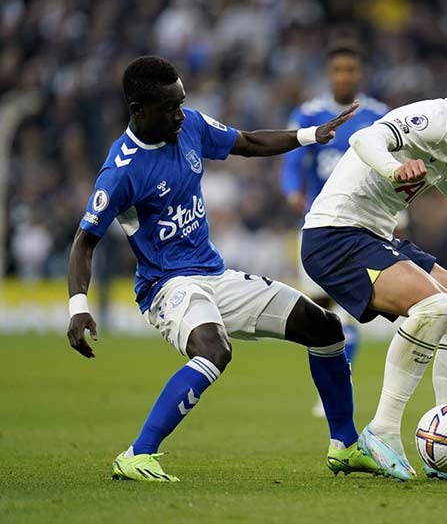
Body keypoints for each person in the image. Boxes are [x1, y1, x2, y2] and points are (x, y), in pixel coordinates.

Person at [66, 55, 383, 482]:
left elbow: (248, 142)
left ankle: (345, 446)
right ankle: (137, 454)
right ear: (140, 111)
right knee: (214, 350)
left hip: (215, 276)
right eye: (170, 108)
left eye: (182, 103)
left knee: (325, 327)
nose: (180, 114)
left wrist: (310, 135)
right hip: (166, 286)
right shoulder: (121, 172)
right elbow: (85, 242)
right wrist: (78, 306)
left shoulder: (190, 126)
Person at [301, 51, 447, 481]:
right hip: (335, 236)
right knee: (436, 306)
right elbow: (364, 139)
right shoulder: (428, 118)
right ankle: (382, 432)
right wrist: (394, 168)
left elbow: (446, 171)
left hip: (372, 237)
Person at [281, 41, 388, 416]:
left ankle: (338, 389)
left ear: (361, 74)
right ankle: (334, 385)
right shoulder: (308, 113)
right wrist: (293, 191)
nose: (345, 76)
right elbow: (293, 161)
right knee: (319, 314)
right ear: (329, 74)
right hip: (315, 224)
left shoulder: (378, 115)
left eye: (351, 70)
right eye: (338, 70)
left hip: (359, 225)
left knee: (345, 310)